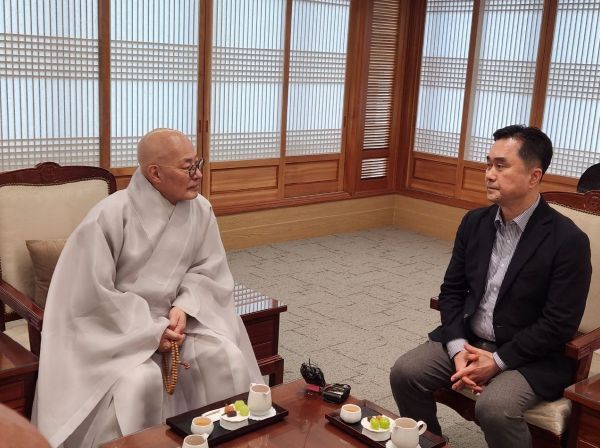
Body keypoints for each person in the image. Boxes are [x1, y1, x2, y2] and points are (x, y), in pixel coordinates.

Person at [32, 129, 263, 448]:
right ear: (155, 173)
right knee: (139, 383)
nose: (198, 175)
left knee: (226, 358)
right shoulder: (110, 215)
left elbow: (207, 270)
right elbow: (91, 296)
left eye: (198, 164)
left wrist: (185, 306)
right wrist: (150, 331)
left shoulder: (200, 210)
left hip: (181, 322)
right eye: (188, 167)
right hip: (118, 331)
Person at [389, 125, 592, 448]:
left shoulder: (567, 241)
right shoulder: (475, 222)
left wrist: (497, 361)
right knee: (405, 372)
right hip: (470, 339)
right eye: (488, 164)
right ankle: (431, 443)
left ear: (534, 176)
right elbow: (452, 291)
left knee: (495, 408)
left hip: (531, 355)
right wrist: (457, 349)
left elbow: (559, 323)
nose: (489, 174)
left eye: (501, 165)